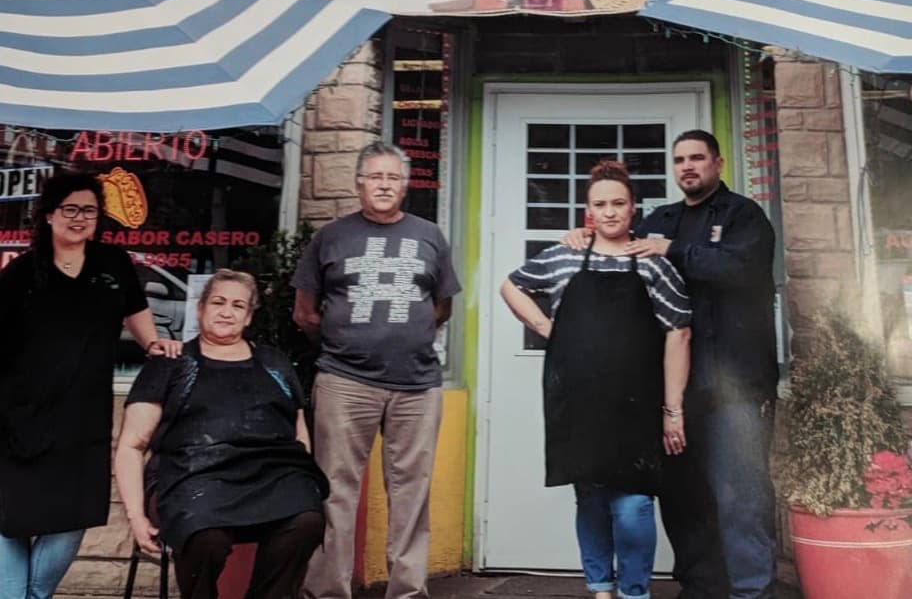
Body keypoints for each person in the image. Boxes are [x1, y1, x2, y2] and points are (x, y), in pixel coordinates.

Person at [565, 131, 779, 599]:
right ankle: (701, 586)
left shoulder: (744, 215)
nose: (687, 166)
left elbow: (740, 271)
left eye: (697, 158)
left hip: (736, 384)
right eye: (679, 159)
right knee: (682, 496)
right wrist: (586, 237)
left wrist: (672, 250)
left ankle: (752, 590)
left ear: (717, 163)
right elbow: (618, 249)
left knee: (740, 494)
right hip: (674, 387)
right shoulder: (662, 218)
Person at [502, 161, 691, 599]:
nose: (609, 212)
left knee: (634, 505)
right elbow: (511, 285)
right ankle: (600, 588)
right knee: (589, 498)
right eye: (600, 204)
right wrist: (549, 328)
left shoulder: (651, 264)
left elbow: (679, 332)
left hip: (636, 405)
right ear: (588, 211)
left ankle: (634, 590)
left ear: (633, 209)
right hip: (578, 402)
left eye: (618, 204)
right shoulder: (566, 255)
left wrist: (673, 410)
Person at [0, 172, 182, 599]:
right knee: (9, 519)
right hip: (17, 421)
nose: (80, 218)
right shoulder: (22, 274)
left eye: (89, 210)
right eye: (70, 209)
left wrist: (155, 344)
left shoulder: (114, 263)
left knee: (71, 516)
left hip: (82, 421)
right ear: (48, 216)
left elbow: (136, 313)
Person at [292, 141, 461, 599]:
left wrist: (399, 336)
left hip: (417, 387)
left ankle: (407, 591)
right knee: (335, 491)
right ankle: (329, 591)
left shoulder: (430, 235)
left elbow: (439, 307)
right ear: (359, 184)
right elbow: (304, 312)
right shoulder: (331, 237)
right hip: (345, 383)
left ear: (405, 185)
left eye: (393, 178)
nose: (384, 185)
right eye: (375, 177)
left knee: (411, 493)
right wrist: (348, 343)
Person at [115, 268, 327, 599]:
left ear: (248, 316)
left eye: (238, 306)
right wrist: (136, 516)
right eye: (218, 302)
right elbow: (131, 444)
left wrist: (304, 480)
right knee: (206, 534)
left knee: (307, 519)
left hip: (269, 474)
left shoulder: (273, 361)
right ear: (201, 308)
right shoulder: (171, 362)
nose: (226, 312)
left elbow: (297, 432)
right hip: (189, 477)